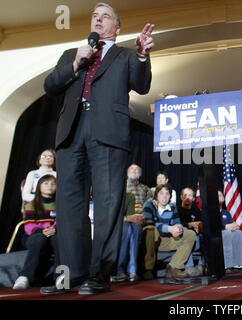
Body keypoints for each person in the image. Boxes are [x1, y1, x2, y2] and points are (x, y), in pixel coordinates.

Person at [41, 2, 154, 295]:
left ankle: (100, 274)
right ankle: (70, 276)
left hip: (108, 132)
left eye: (105, 17)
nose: (98, 20)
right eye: (94, 16)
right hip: (71, 132)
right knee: (68, 207)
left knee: (107, 204)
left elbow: (141, 86)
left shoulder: (126, 54)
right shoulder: (71, 54)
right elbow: (50, 85)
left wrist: (142, 55)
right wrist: (77, 63)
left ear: (117, 28)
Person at [13, 175, 59, 289]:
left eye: (53, 184)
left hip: (53, 234)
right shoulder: (31, 205)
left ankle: (60, 276)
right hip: (34, 235)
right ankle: (25, 277)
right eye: (46, 183)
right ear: (39, 187)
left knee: (59, 239)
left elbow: (60, 222)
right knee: (39, 238)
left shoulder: (60, 205)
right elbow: (29, 225)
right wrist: (42, 231)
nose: (50, 186)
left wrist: (54, 229)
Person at [142, 184, 196, 278]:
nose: (164, 196)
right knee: (150, 229)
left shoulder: (172, 206)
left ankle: (173, 267)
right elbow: (148, 223)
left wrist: (178, 229)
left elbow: (177, 223)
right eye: (161, 193)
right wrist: (169, 228)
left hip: (166, 240)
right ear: (157, 195)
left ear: (170, 196)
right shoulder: (149, 204)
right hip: (152, 240)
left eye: (167, 194)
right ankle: (148, 269)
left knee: (190, 234)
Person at [111, 191, 143, 283]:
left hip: (123, 224)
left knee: (136, 226)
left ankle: (132, 270)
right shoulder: (106, 194)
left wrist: (134, 218)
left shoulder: (129, 196)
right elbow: (106, 216)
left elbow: (130, 217)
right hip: (108, 225)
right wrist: (126, 218)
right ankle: (119, 270)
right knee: (125, 227)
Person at [178, 187, 204, 276]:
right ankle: (189, 266)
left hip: (198, 235)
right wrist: (190, 225)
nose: (187, 197)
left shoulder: (196, 210)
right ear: (181, 197)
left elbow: (201, 222)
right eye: (185, 195)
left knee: (206, 236)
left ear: (193, 198)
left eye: (190, 195)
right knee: (190, 235)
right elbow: (177, 225)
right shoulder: (177, 210)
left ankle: (202, 264)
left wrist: (199, 226)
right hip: (183, 235)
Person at [218, 190, 242, 271]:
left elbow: (232, 224)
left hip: (228, 232)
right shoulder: (209, 212)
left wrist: (235, 226)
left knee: (238, 233)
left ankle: (237, 262)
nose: (218, 197)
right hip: (217, 234)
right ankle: (226, 263)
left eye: (220, 195)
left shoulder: (226, 212)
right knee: (227, 233)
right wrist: (225, 227)